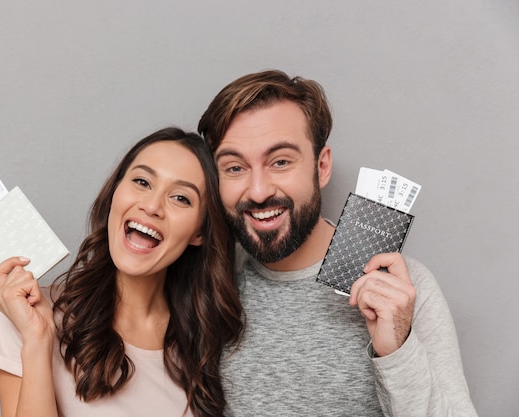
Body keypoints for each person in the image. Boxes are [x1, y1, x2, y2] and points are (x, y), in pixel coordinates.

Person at [198, 70, 478, 416]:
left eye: (281, 161)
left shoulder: (404, 290)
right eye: (235, 168)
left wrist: (397, 350)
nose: (258, 191)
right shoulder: (210, 291)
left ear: (322, 166)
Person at [0, 127, 244, 417]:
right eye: (142, 182)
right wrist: (37, 339)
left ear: (200, 232)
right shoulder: (29, 317)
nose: (152, 206)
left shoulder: (211, 344)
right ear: (115, 193)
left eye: (181, 198)